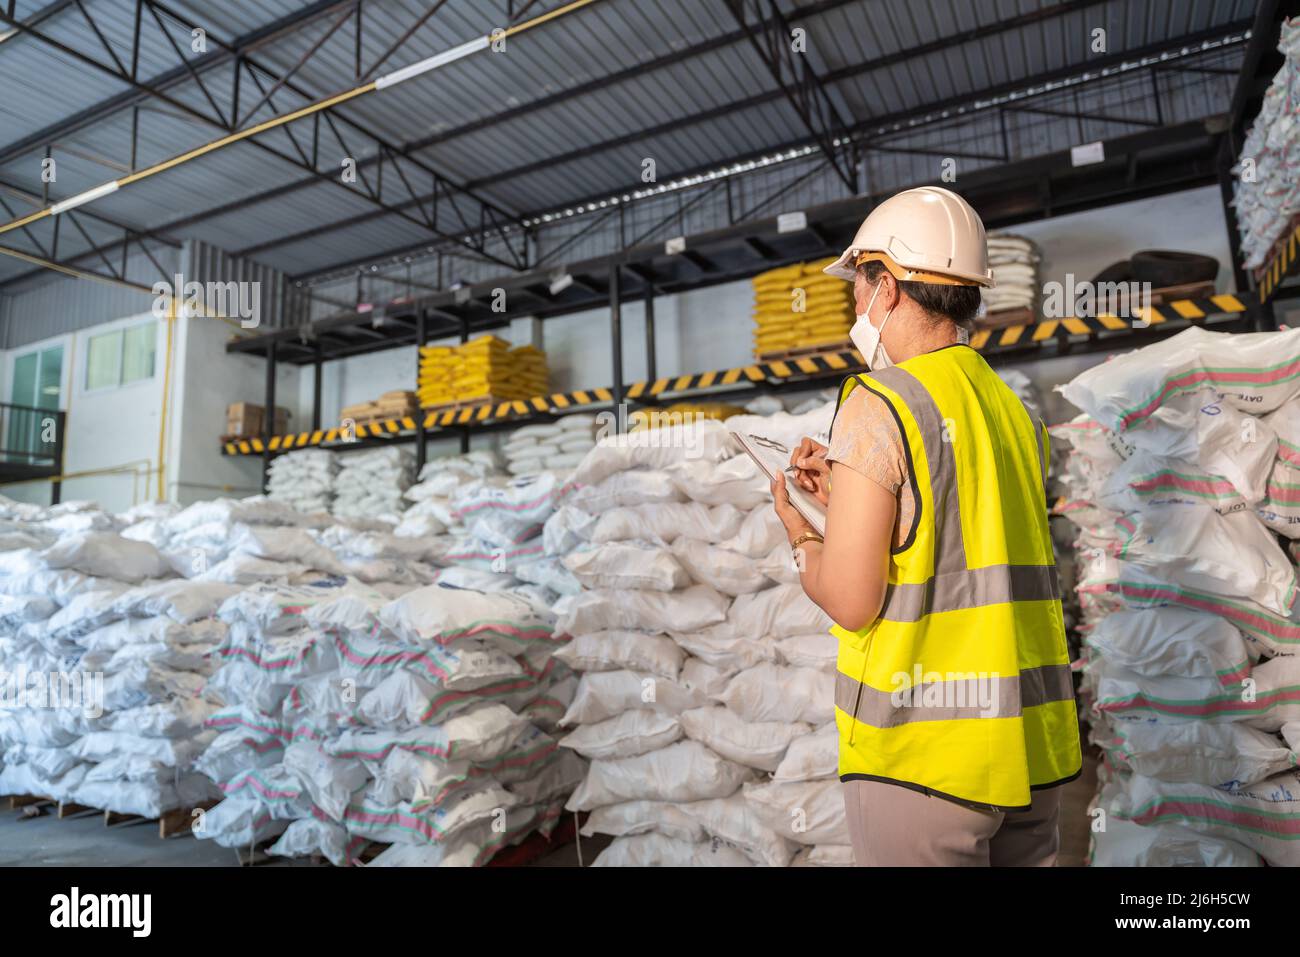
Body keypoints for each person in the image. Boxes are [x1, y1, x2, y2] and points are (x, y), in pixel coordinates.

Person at [770, 185, 1081, 867]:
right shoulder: (1011, 410)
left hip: (924, 757)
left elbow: (853, 600)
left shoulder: (879, 401)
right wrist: (850, 491)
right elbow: (956, 529)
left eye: (857, 283)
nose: (855, 302)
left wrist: (802, 532)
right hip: (1027, 743)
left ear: (888, 287)